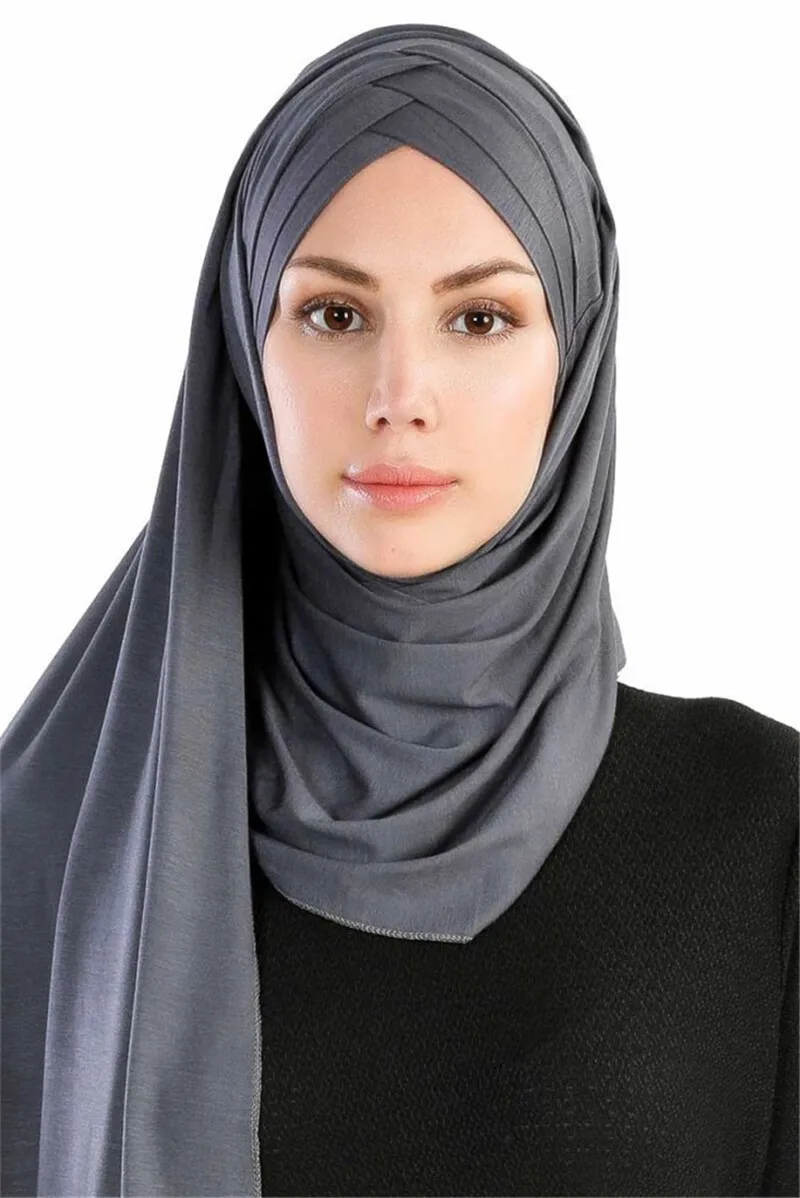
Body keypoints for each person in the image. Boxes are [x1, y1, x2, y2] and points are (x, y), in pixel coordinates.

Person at [1, 22, 796, 1198]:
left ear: (574, 356)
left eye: (478, 319)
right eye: (334, 314)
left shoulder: (759, 827)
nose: (399, 396)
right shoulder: (61, 846)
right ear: (246, 350)